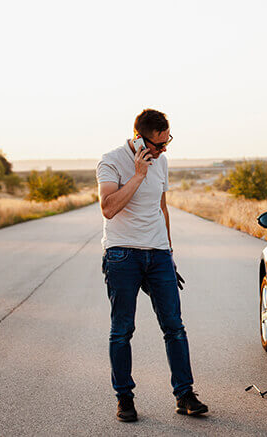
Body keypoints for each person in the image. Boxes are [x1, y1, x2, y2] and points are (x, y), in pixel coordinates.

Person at [96, 109, 207, 422]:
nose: (163, 150)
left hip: (158, 255)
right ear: (138, 139)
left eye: (166, 142)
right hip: (122, 255)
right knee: (122, 330)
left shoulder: (163, 161)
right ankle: (125, 399)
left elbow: (162, 207)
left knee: (174, 327)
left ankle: (185, 395)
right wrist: (139, 175)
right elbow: (108, 209)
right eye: (157, 145)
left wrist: (169, 253)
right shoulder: (111, 160)